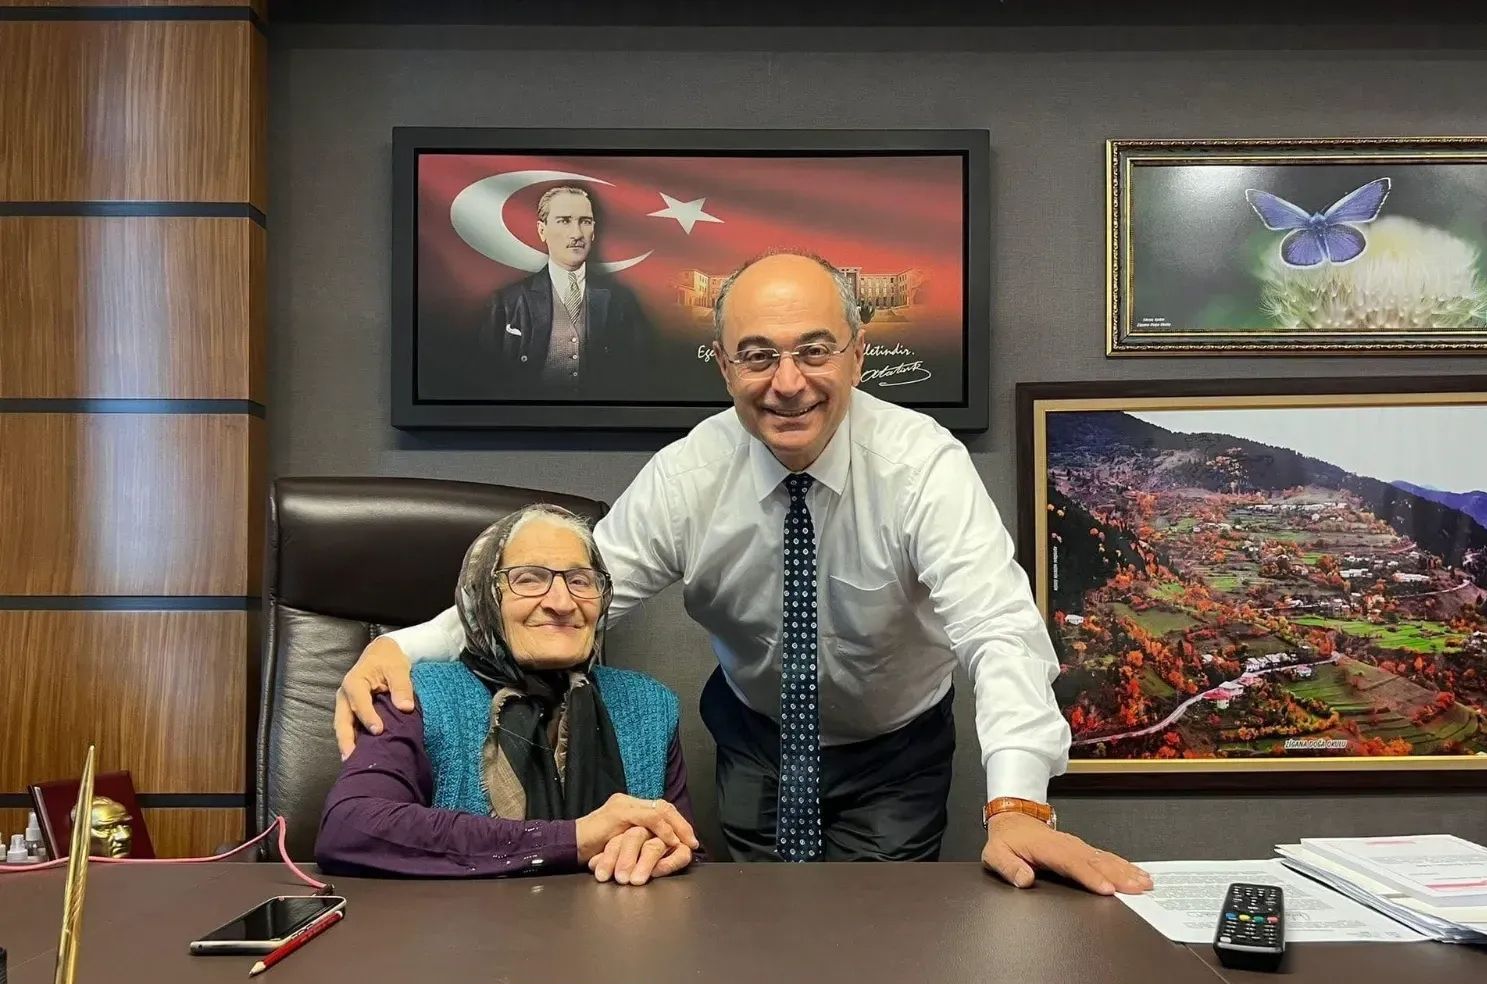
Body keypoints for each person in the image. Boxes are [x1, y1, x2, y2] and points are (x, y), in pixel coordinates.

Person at [340, 252, 1150, 896]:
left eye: (815, 351)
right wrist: (402, 648)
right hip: (757, 741)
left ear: (858, 357)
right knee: (761, 926)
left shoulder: (922, 468)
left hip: (894, 750)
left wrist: (1017, 805)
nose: (787, 383)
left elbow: (998, 630)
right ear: (725, 369)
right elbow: (575, 594)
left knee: (883, 942)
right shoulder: (690, 475)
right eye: (758, 356)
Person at [317, 503, 699, 884]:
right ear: (484, 598)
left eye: (581, 581)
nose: (562, 603)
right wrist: (575, 839)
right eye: (529, 579)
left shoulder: (649, 706)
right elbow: (350, 828)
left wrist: (659, 849)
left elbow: (684, 851)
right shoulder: (415, 696)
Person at [481, 185, 650, 398]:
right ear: (542, 230)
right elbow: (487, 379)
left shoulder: (621, 301)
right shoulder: (507, 302)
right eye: (564, 221)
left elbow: (637, 376)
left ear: (594, 231)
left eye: (585, 221)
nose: (577, 234)